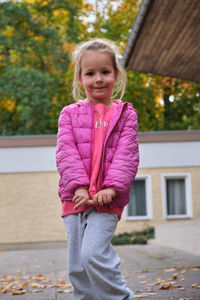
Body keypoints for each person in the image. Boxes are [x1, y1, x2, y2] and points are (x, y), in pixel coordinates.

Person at [56, 38, 139, 300]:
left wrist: (112, 188)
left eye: (105, 71)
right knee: (78, 267)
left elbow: (127, 155)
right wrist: (78, 186)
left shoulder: (126, 114)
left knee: (92, 254)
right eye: (90, 73)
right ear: (80, 78)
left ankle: (120, 298)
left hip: (107, 200)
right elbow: (66, 153)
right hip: (75, 198)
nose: (98, 79)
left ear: (116, 75)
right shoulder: (69, 114)